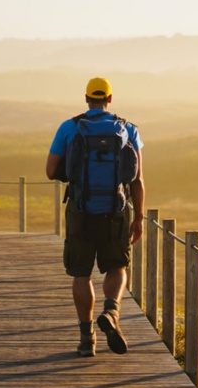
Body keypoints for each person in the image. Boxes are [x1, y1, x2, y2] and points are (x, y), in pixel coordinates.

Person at [46, 77, 145, 357]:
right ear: (110, 99)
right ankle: (112, 311)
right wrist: (138, 218)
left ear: (86, 98)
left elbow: (50, 171)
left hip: (80, 211)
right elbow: (137, 180)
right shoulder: (129, 130)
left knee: (81, 273)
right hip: (116, 211)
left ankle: (87, 337)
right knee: (117, 268)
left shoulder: (69, 127)